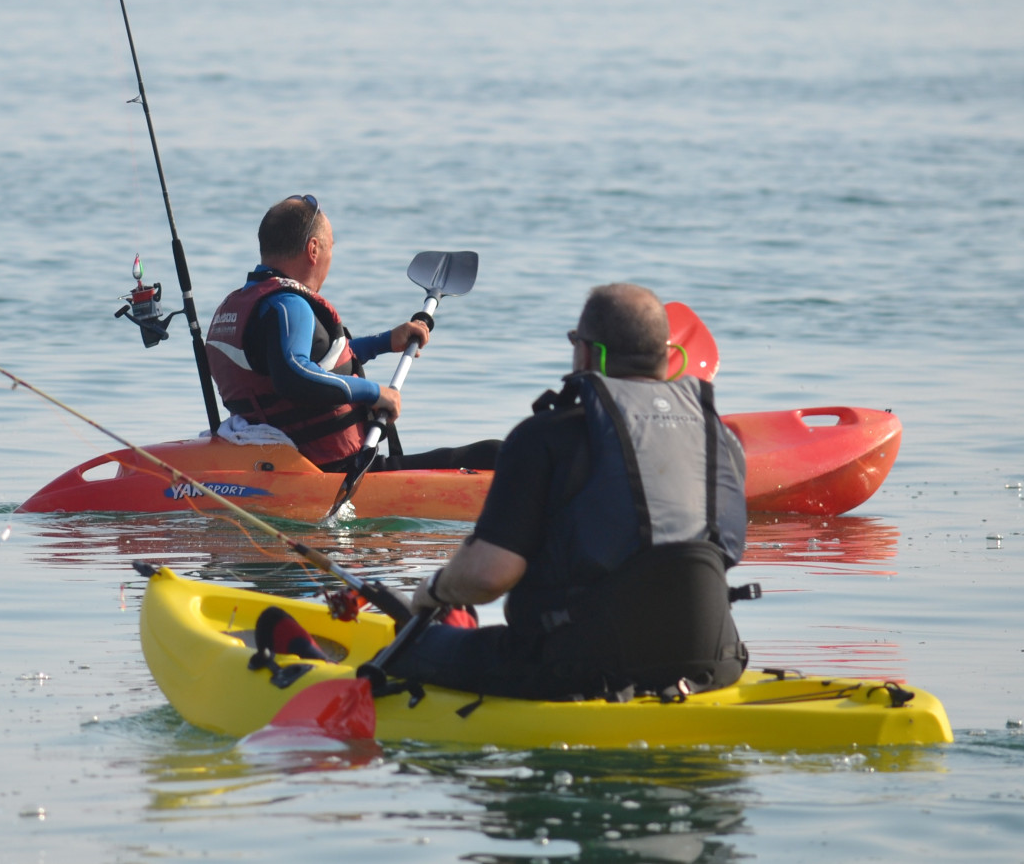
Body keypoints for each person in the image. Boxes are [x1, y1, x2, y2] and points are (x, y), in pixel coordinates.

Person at [383, 283, 748, 700]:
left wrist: (431, 591)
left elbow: (489, 575)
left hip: (578, 669)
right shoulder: (721, 440)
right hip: (713, 663)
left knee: (400, 653)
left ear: (590, 353)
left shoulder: (546, 437)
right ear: (668, 356)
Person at [205, 195, 502, 473]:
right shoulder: (288, 305)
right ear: (313, 250)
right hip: (335, 470)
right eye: (331, 247)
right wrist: (375, 393)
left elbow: (315, 364)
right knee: (496, 454)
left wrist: (385, 342)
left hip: (281, 460)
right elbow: (294, 376)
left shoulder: (240, 306)